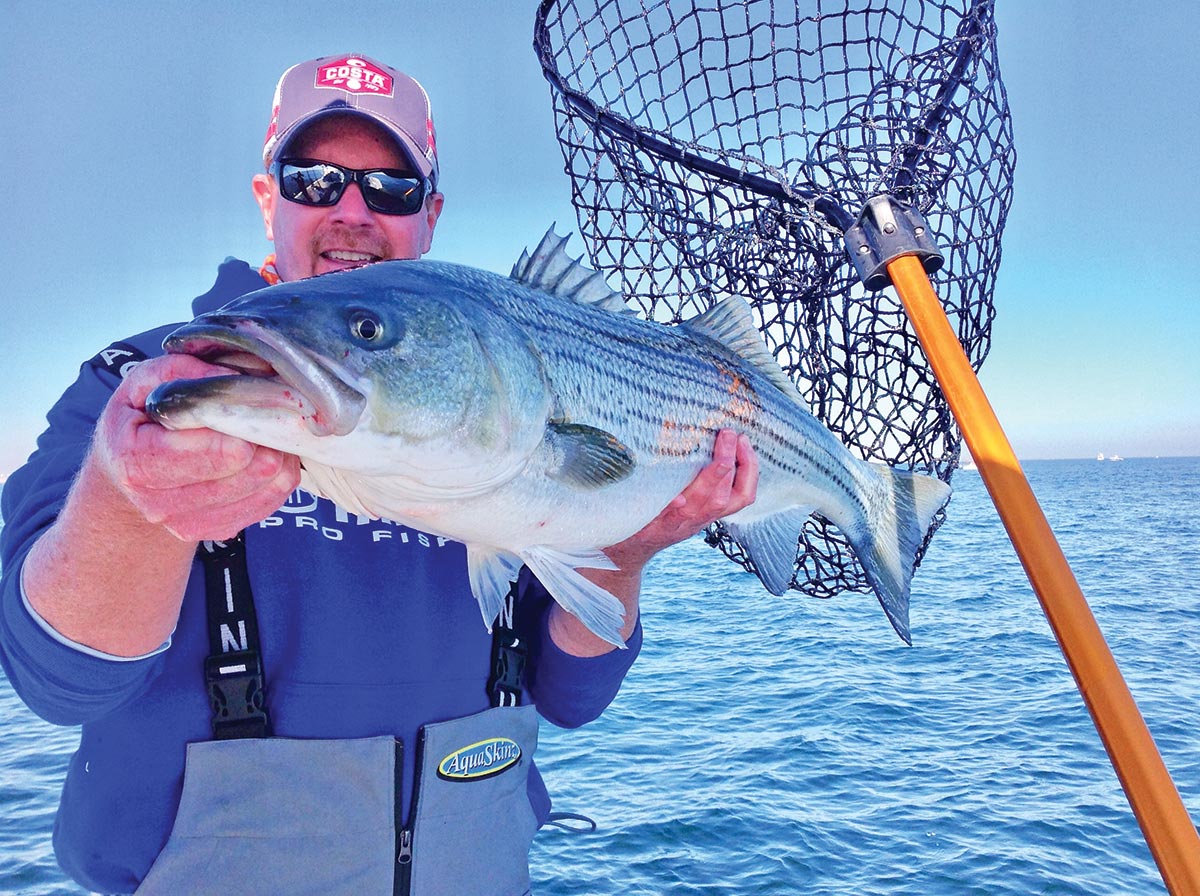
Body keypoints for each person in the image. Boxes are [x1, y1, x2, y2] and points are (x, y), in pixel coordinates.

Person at [0, 54, 758, 895]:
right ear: (268, 200)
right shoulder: (143, 386)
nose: (352, 212)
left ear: (429, 217)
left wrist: (628, 551)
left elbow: (570, 696)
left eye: (392, 189)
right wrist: (128, 500)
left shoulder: (492, 381)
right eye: (315, 180)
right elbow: (54, 679)